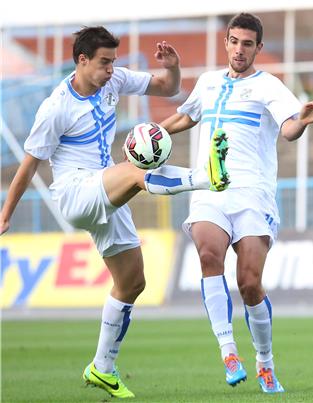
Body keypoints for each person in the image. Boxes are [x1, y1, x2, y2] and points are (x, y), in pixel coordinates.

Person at [0, 26, 228, 399]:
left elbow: (166, 88)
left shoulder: (113, 80)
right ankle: (208, 176)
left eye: (113, 62)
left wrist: (173, 68)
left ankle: (102, 368)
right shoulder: (56, 107)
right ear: (82, 60)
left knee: (132, 282)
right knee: (138, 166)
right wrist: (5, 213)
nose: (111, 70)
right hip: (76, 192)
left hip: (107, 186)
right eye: (104, 62)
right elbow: (29, 165)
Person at [160, 12, 313, 393]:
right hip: (209, 190)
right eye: (234, 41)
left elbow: (288, 129)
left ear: (258, 48)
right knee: (207, 256)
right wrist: (151, 132)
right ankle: (228, 351)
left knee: (249, 282)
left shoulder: (269, 86)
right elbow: (187, 117)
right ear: (226, 42)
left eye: (247, 43)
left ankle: (265, 362)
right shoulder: (208, 82)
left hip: (253, 193)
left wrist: (302, 121)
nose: (239, 49)